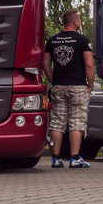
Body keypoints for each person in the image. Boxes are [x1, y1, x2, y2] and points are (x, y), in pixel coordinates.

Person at [42, 9, 95, 168]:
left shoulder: (52, 41)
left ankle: (56, 158)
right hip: (78, 86)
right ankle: (74, 158)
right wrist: (90, 85)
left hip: (59, 86)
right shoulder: (82, 40)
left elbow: (45, 64)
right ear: (75, 22)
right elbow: (89, 65)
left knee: (57, 122)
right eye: (79, 19)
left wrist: (54, 80)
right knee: (76, 122)